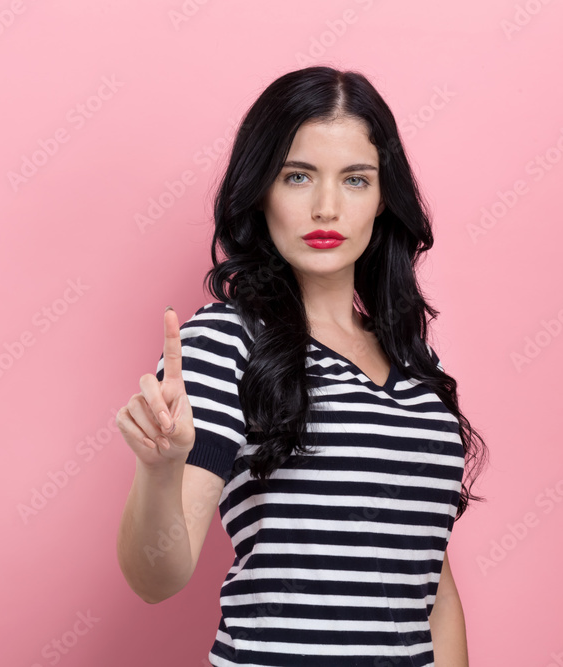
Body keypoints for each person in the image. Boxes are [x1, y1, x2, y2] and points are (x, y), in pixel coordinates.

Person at [115, 66, 488, 666]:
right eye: (297, 176)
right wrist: (158, 472)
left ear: (383, 198)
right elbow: (158, 577)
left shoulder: (419, 366)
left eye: (356, 180)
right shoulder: (223, 343)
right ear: (260, 189)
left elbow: (431, 588)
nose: (326, 207)